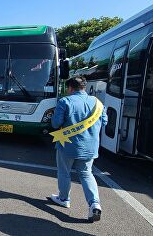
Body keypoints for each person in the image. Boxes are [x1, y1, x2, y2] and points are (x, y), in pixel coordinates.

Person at [47, 76, 108, 222]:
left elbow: (55, 124)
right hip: (90, 146)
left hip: (67, 144)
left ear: (70, 88)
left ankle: (64, 198)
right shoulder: (97, 103)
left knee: (64, 172)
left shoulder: (65, 101)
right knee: (86, 174)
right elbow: (104, 122)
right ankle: (94, 204)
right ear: (84, 87)